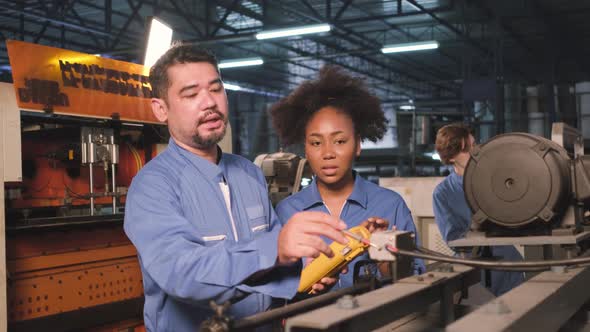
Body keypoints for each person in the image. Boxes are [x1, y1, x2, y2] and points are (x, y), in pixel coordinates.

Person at [123, 44, 350, 331]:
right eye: (191, 94)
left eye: (216, 89)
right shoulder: (152, 187)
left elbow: (274, 261)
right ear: (160, 109)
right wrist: (275, 250)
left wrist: (304, 269)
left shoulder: (248, 173)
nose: (209, 103)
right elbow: (182, 273)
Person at [270, 65, 424, 290]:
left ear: (358, 145)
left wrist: (385, 260)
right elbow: (275, 286)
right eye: (316, 143)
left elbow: (414, 280)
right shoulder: (288, 213)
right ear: (305, 149)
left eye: (340, 141)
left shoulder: (390, 206)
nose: (328, 153)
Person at [433, 123, 524, 296]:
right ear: (452, 157)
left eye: (475, 144)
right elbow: (453, 239)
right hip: (476, 272)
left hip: (509, 264)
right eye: (469, 148)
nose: (476, 151)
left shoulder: (494, 180)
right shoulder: (443, 193)